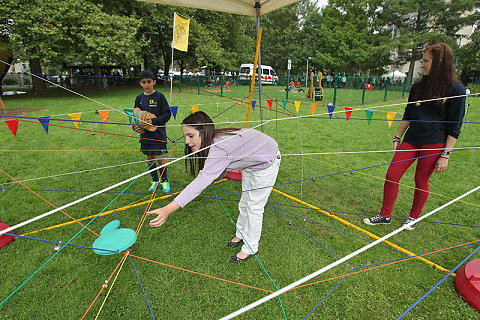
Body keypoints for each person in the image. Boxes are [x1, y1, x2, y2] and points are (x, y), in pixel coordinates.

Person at [148, 111, 281, 263]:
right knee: (245, 202)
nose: (186, 141)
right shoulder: (214, 141)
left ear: (203, 132)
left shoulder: (219, 148)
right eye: (185, 136)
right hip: (252, 162)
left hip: (266, 161)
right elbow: (216, 170)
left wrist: (167, 209)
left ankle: (251, 247)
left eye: (190, 136)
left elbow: (202, 180)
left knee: (254, 207)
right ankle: (241, 234)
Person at [364, 43, 466, 230]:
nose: (422, 65)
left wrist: (446, 155)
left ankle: (413, 217)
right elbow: (409, 113)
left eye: (426, 61)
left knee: (420, 180)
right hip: (412, 139)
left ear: (440, 62)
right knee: (392, 175)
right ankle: (385, 215)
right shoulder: (418, 86)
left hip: (434, 142)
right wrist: (397, 137)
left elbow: (455, 126)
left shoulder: (456, 90)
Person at [132, 70, 172, 192]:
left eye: (149, 82)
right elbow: (135, 117)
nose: (147, 85)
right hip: (145, 135)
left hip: (158, 133)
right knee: (150, 158)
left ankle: (165, 180)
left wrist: (154, 121)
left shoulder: (160, 96)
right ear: (140, 83)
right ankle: (155, 180)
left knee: (159, 158)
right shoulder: (139, 98)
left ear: (154, 82)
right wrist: (135, 127)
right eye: (144, 82)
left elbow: (167, 114)